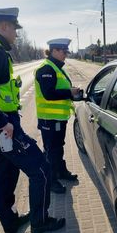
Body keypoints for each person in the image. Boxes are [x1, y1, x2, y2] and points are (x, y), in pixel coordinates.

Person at [0, 7, 65, 233]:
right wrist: (0, 122)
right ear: (4, 27)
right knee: (42, 169)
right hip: (2, 127)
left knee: (6, 173)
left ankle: (10, 223)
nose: (16, 35)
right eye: (15, 30)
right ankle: (41, 222)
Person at [34, 38, 80, 194]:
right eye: (63, 51)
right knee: (50, 151)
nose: (66, 54)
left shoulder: (56, 67)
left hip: (58, 119)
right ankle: (51, 181)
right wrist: (69, 92)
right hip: (49, 119)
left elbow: (58, 88)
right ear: (54, 51)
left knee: (58, 148)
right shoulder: (46, 69)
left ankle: (60, 172)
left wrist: (71, 91)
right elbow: (48, 94)